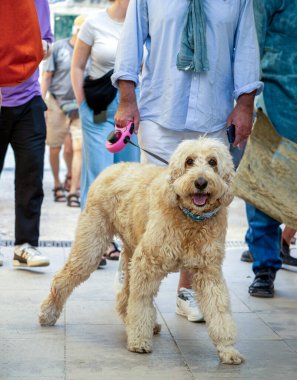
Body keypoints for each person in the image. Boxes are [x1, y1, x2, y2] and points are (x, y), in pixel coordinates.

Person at [112, 0, 263, 321]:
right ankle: (136, 277)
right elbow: (130, 42)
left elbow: (247, 47)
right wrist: (127, 100)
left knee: (204, 209)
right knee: (150, 207)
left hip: (214, 113)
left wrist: (245, 105)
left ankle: (187, 290)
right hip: (159, 111)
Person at [71, 0, 140, 262]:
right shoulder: (94, 23)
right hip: (98, 108)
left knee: (128, 177)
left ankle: (126, 242)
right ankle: (93, 243)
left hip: (131, 108)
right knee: (98, 175)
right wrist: (82, 104)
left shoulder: (143, 24)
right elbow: (77, 66)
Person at [240, 0, 297, 298]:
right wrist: (247, 100)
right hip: (275, 102)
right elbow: (253, 41)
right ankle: (264, 267)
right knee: (264, 190)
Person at [0, 0, 53, 268]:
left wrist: (44, 45)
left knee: (31, 176)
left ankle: (25, 245)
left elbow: (47, 40)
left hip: (28, 98)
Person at [41, 15, 86, 208]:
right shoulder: (59, 48)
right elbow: (47, 76)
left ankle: (74, 189)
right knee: (55, 146)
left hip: (79, 105)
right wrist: (41, 102)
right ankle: (58, 184)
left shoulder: (90, 50)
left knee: (76, 148)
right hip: (57, 103)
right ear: (76, 30)